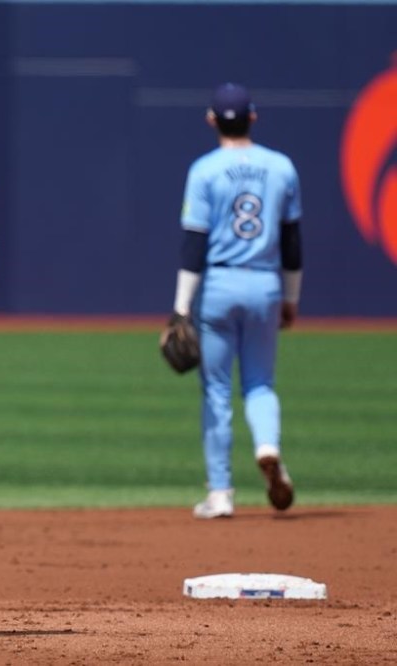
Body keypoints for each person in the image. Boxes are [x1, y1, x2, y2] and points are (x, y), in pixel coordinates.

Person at [166, 82, 303, 519]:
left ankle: (221, 493)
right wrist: (291, 298)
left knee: (217, 391)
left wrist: (181, 307)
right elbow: (292, 241)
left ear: (211, 120)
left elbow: (194, 244)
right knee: (260, 383)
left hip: (221, 287)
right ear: (253, 117)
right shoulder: (281, 167)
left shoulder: (204, 170)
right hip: (265, 284)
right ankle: (267, 446)